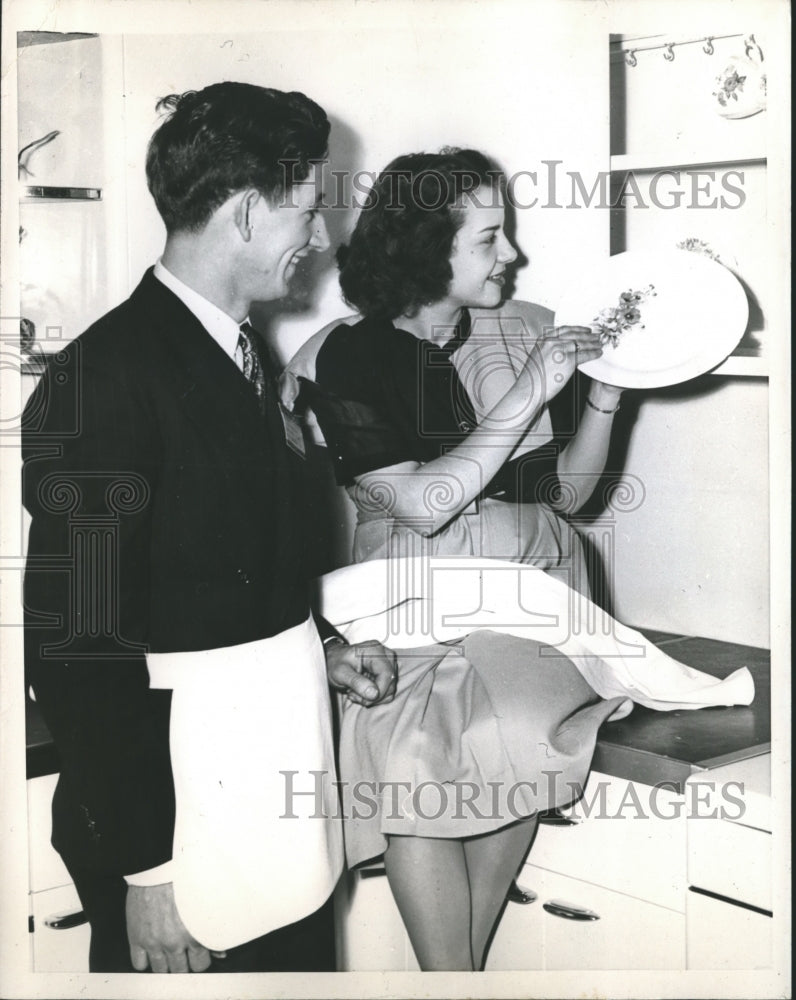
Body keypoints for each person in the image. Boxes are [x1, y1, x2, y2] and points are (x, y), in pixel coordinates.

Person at [22, 82, 397, 975]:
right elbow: (78, 645)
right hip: (180, 827)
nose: (321, 238)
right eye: (307, 211)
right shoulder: (106, 376)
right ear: (243, 213)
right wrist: (147, 870)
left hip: (266, 788)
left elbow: (222, 555)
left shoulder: (237, 352)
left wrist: (319, 644)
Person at [282, 149, 631, 970]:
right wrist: (532, 391)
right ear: (424, 249)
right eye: (489, 238)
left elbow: (570, 496)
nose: (510, 256)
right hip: (404, 595)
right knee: (409, 759)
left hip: (532, 589)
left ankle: (452, 979)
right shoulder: (351, 354)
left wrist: (610, 390)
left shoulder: (530, 327)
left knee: (514, 731)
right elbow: (427, 505)